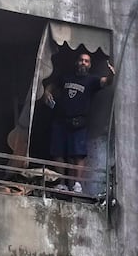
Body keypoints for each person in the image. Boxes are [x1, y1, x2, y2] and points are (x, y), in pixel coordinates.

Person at [43, 52, 115, 195]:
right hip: (60, 120)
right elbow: (52, 84)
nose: (83, 63)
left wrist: (111, 74)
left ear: (90, 65)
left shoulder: (91, 80)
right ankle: (62, 183)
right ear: (77, 62)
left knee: (78, 155)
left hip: (79, 122)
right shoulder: (66, 77)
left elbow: (106, 82)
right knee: (58, 153)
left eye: (86, 61)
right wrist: (46, 92)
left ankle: (77, 184)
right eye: (81, 60)